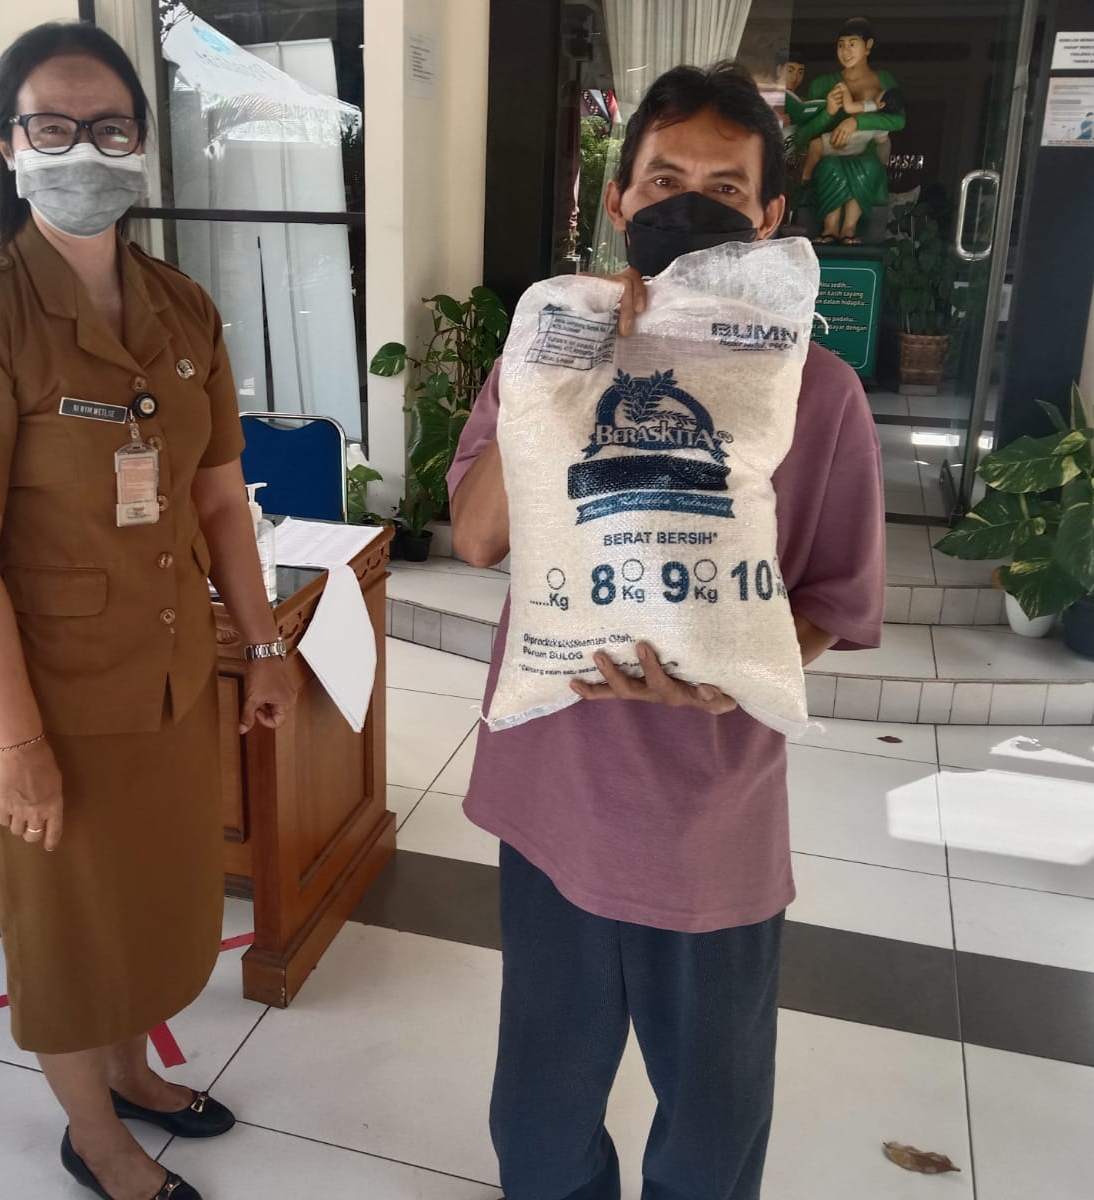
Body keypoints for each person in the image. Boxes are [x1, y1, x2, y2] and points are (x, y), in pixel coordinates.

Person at [449, 62, 885, 1200]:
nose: (689, 206)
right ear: (618, 201)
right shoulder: (547, 347)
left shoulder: (819, 391)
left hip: (708, 815)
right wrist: (562, 364)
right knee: (539, 1113)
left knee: (712, 1119)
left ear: (769, 218)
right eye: (662, 180)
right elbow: (479, 538)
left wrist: (733, 673)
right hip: (554, 789)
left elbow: (832, 600)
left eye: (724, 190)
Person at [0, 22, 295, 1200]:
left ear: (142, 143)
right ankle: (96, 1135)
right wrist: (19, 747)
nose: (83, 148)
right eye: (53, 126)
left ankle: (132, 1072)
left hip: (167, 678)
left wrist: (263, 646)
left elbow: (219, 500)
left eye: (109, 127)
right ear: (6, 144)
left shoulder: (179, 307)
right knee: (69, 926)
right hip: (51, 698)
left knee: (147, 900)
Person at [792, 17, 905, 242]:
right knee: (829, 167)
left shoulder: (884, 81)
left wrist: (855, 122)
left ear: (868, 46)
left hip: (865, 153)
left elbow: (897, 121)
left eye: (853, 44)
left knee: (869, 166)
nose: (846, 51)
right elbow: (802, 135)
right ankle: (830, 228)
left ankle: (850, 229)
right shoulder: (823, 84)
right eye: (841, 45)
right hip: (829, 152)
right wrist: (828, 113)